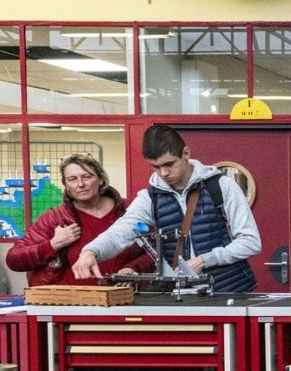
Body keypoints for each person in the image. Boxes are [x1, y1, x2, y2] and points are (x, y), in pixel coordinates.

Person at [72, 125, 261, 292]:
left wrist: (205, 260)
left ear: (186, 153)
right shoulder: (150, 197)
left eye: (169, 164)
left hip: (230, 291)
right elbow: (122, 230)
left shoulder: (222, 186)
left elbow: (250, 241)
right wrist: (90, 251)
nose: (164, 173)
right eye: (156, 167)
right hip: (180, 296)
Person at [8, 154, 152, 286]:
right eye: (72, 179)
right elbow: (14, 259)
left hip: (126, 301)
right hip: (72, 304)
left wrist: (133, 269)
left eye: (87, 177)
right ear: (66, 185)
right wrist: (52, 245)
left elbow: (157, 252)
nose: (80, 184)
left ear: (101, 179)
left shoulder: (130, 211)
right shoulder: (56, 218)